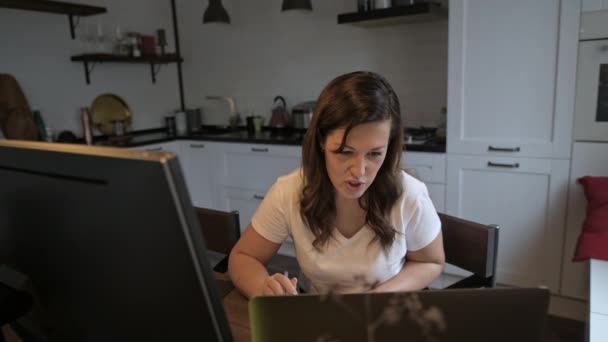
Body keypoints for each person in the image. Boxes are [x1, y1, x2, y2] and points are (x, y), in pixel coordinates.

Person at [228, 71, 445, 298]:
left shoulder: (409, 194)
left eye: (374, 154)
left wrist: (381, 296)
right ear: (321, 141)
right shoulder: (289, 191)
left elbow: (431, 262)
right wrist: (263, 288)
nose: (359, 172)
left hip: (383, 319)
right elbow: (244, 257)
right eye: (344, 152)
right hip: (316, 317)